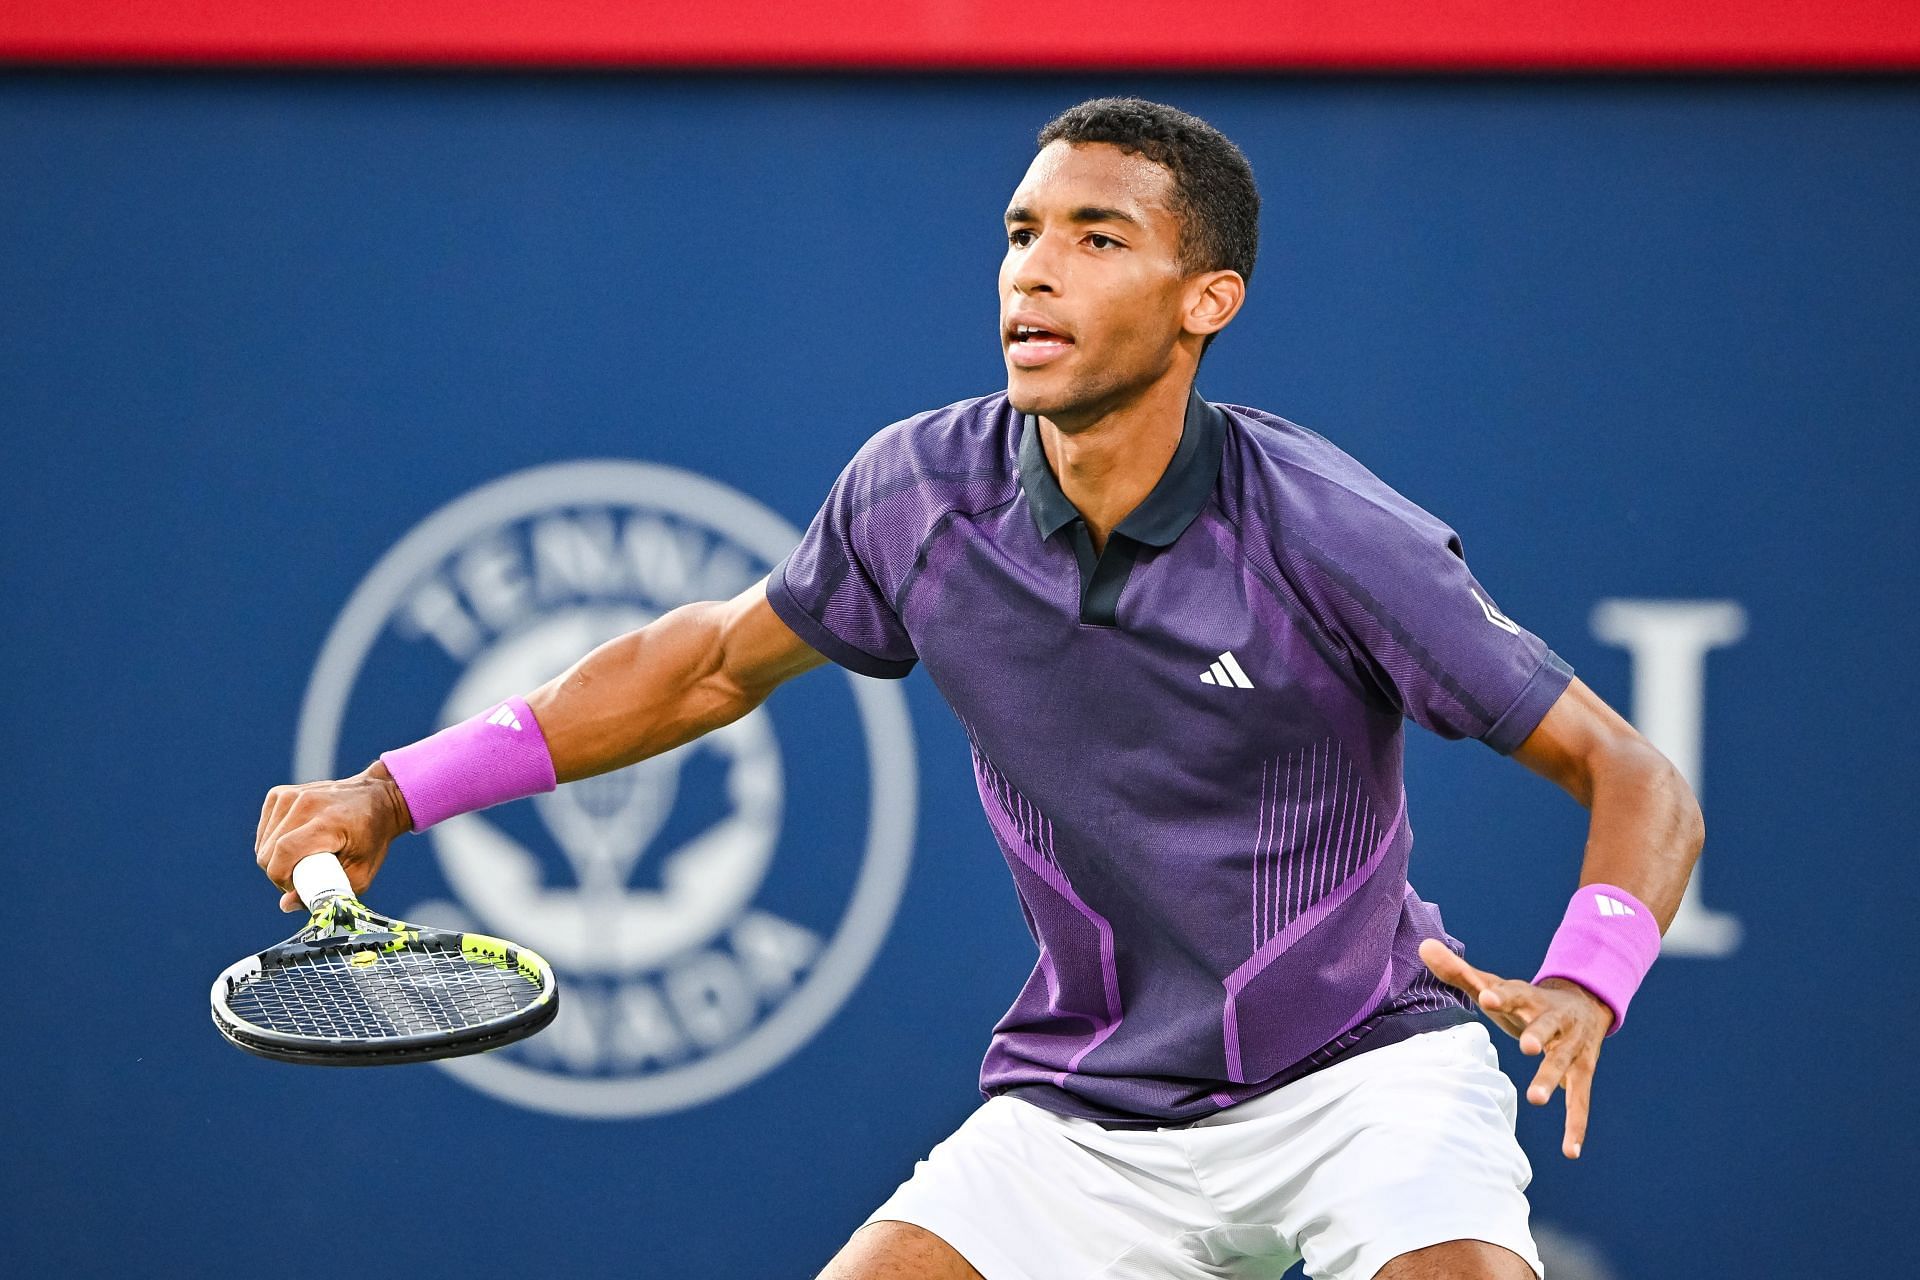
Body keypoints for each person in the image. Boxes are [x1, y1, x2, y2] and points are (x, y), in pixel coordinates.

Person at [254, 98, 1703, 1280]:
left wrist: (1589, 979)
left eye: (1094, 236)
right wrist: (390, 792)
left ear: (1208, 300)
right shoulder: (918, 496)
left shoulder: (1326, 531)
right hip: (1087, 1106)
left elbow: (1635, 778)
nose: (1034, 269)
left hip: (1359, 1077)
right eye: (1021, 233)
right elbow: (700, 667)